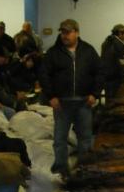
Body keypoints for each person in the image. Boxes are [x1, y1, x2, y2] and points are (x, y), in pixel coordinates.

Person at [39, 18, 103, 178]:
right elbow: (44, 75)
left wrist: (94, 94)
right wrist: (51, 96)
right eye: (62, 32)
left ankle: (84, 168)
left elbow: (100, 73)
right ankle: (61, 168)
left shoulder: (88, 51)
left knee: (85, 139)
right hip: (62, 103)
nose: (64, 35)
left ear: (77, 32)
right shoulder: (53, 53)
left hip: (84, 102)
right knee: (60, 138)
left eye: (68, 32)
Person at [101, 24, 124, 101]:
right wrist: (122, 82)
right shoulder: (121, 46)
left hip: (106, 80)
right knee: (117, 105)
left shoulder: (105, 43)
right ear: (120, 33)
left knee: (108, 103)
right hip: (116, 82)